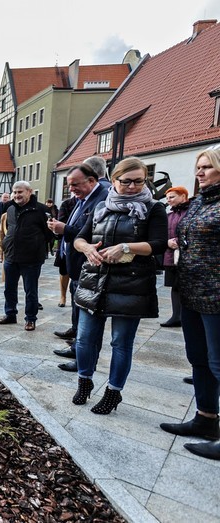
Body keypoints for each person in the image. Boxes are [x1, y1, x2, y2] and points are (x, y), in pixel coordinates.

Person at [70, 157, 167, 415]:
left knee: (121, 343)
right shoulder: (103, 205)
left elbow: (158, 244)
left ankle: (114, 392)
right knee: (84, 339)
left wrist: (127, 247)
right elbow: (80, 238)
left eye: (139, 181)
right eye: (126, 181)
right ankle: (84, 381)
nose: (133, 187)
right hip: (95, 281)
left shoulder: (154, 208)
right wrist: (87, 248)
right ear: (114, 180)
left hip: (131, 283)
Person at [159, 146, 220, 460]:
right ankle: (206, 419)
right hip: (191, 292)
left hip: (216, 296)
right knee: (198, 358)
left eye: (207, 167)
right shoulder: (198, 203)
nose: (200, 172)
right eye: (198, 167)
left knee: (219, 363)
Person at [47, 163, 109, 371]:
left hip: (89, 267)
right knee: (78, 312)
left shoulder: (102, 198)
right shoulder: (84, 199)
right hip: (77, 265)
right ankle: (76, 348)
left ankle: (83, 360)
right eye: (69, 186)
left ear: (92, 180)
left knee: (88, 319)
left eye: (75, 185)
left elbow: (90, 234)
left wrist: (64, 229)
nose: (71, 189)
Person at [0, 181, 52, 331]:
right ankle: (10, 314)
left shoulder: (41, 210)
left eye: (20, 192)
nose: (16, 195)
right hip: (11, 256)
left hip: (31, 259)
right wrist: (6, 245)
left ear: (29, 192)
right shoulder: (11, 209)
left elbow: (49, 234)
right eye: (14, 192)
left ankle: (30, 319)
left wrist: (35, 245)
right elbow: (9, 229)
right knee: (9, 289)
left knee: (30, 291)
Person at [160, 186, 190, 328]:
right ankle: (176, 316)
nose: (169, 200)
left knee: (186, 286)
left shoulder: (190, 213)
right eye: (167, 198)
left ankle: (186, 317)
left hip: (187, 256)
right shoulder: (169, 216)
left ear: (183, 196)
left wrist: (178, 242)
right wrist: (166, 242)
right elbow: (161, 235)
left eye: (172, 197)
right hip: (171, 256)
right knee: (175, 286)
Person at [54, 195, 76, 307]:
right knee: (64, 270)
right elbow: (61, 223)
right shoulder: (67, 204)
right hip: (66, 241)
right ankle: (63, 296)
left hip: (81, 241)